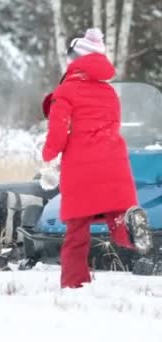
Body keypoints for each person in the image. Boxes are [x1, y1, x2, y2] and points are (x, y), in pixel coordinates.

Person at [41, 28, 153, 288]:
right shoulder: (109, 92)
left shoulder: (66, 92)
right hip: (114, 160)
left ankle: (74, 284)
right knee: (115, 214)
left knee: (77, 231)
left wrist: (47, 155)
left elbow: (58, 134)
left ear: (76, 58)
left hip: (82, 164)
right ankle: (129, 231)